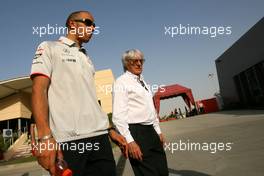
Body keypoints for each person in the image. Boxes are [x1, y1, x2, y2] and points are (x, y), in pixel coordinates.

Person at [31, 11, 127, 176]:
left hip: (100, 140)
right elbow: (39, 90)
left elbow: (90, 99)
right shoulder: (49, 47)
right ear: (72, 24)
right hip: (70, 142)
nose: (93, 28)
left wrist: (109, 130)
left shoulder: (86, 57)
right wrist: (45, 138)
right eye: (88, 23)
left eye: (94, 26)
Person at [112, 49, 168, 176]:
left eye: (141, 60)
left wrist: (158, 131)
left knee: (162, 171)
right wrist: (130, 141)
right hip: (136, 133)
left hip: (151, 132)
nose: (139, 64)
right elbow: (118, 117)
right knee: (147, 173)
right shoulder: (121, 82)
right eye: (134, 61)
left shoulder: (143, 82)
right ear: (126, 63)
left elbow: (151, 110)